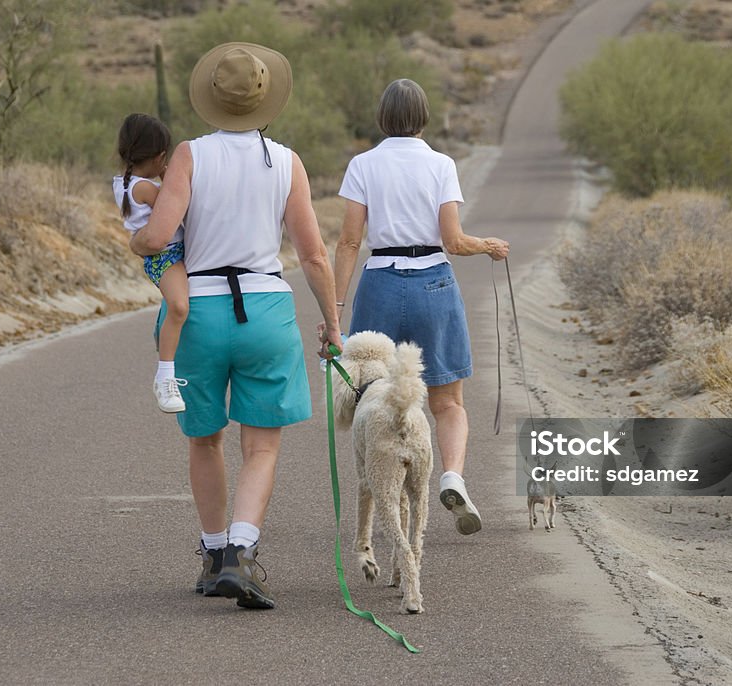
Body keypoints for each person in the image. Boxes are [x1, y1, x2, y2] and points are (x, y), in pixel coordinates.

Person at [129, 42, 342, 609]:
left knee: (205, 440)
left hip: (199, 309)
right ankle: (244, 553)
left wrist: (137, 241)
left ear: (210, 100)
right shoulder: (287, 161)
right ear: (265, 100)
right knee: (262, 448)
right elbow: (315, 255)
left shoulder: (190, 157)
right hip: (266, 308)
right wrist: (333, 322)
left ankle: (213, 553)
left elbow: (156, 236)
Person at [331, 78, 509, 535]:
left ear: (382, 118)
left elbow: (350, 240)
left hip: (380, 283)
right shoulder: (441, 164)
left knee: (377, 395)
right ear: (424, 117)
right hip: (433, 281)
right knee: (447, 401)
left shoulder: (363, 164)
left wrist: (334, 305)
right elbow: (453, 240)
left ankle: (386, 491)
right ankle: (451, 477)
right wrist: (486, 245)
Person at [113, 113, 189, 413]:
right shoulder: (145, 188)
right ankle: (165, 375)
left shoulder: (125, 182)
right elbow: (176, 206)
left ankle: (163, 327)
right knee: (180, 306)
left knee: (179, 305)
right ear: (159, 156)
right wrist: (172, 176)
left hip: (165, 256)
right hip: (166, 256)